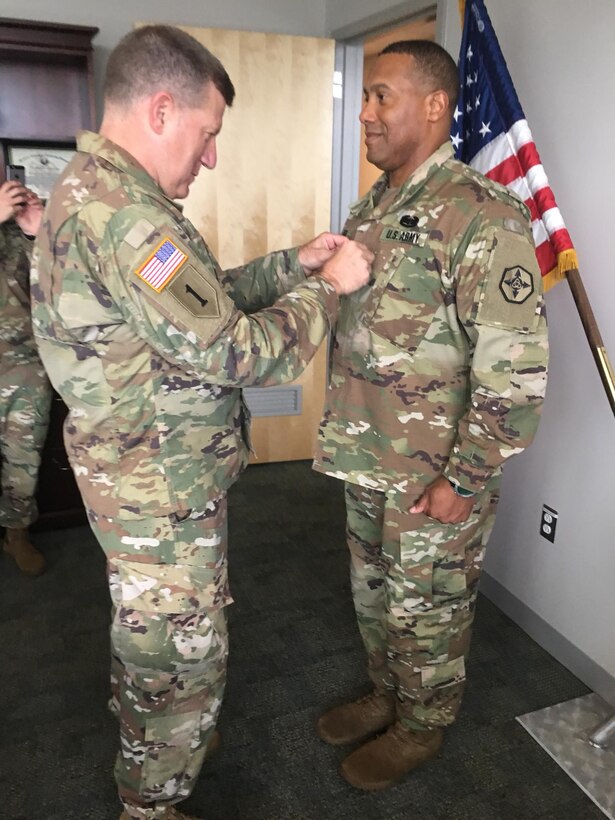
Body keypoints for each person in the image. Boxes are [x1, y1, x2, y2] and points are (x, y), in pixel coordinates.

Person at [30, 24, 372, 820]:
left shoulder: (98, 192)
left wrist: (295, 264)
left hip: (143, 473)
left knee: (151, 635)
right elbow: (237, 353)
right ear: (159, 109)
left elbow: (198, 300)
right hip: (158, 486)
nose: (211, 156)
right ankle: (151, 802)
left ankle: (155, 738)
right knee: (179, 654)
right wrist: (335, 288)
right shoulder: (128, 222)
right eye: (207, 134)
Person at [313, 40, 549, 791]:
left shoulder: (483, 215)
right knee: (374, 594)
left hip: (435, 473)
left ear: (435, 106)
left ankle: (423, 723)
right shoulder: (374, 205)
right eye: (367, 98)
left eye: (382, 96)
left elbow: (513, 375)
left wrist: (466, 478)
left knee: (430, 608)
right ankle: (388, 693)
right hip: (366, 455)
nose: (367, 112)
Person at [0, 179, 50, 576]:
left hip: (23, 364)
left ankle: (16, 534)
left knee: (22, 457)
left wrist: (37, 230)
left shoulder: (25, 221)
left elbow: (59, 282)